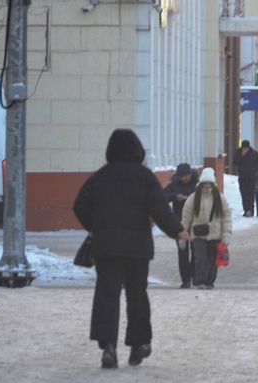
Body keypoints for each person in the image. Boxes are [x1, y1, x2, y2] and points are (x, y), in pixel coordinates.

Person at [73, 128, 185, 369]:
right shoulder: (145, 176)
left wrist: (96, 226)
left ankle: (108, 348)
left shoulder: (100, 176)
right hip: (137, 247)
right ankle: (139, 344)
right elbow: (159, 208)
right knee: (137, 295)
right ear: (137, 150)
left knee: (107, 295)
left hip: (106, 246)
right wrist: (177, 230)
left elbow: (80, 205)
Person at [179, 167, 232, 289]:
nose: (207, 185)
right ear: (201, 183)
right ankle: (201, 280)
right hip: (198, 234)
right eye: (205, 183)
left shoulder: (220, 198)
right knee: (200, 257)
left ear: (213, 183)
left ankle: (209, 281)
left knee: (213, 259)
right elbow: (186, 217)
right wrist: (182, 234)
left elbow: (226, 216)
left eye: (209, 183)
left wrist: (227, 233)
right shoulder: (194, 197)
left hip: (216, 234)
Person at [164, 162, 199, 289]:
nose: (184, 178)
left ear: (190, 174)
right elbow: (162, 196)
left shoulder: (197, 185)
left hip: (196, 222)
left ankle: (195, 276)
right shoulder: (173, 186)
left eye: (186, 175)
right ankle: (185, 280)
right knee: (182, 252)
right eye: (181, 176)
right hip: (179, 223)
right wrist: (174, 196)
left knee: (196, 251)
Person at [233, 140, 258, 217]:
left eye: (246, 147)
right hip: (242, 177)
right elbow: (235, 162)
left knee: (250, 194)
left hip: (252, 177)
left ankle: (250, 210)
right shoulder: (238, 152)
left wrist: (254, 169)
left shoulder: (254, 153)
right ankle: (246, 209)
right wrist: (242, 156)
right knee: (243, 193)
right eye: (243, 147)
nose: (244, 149)